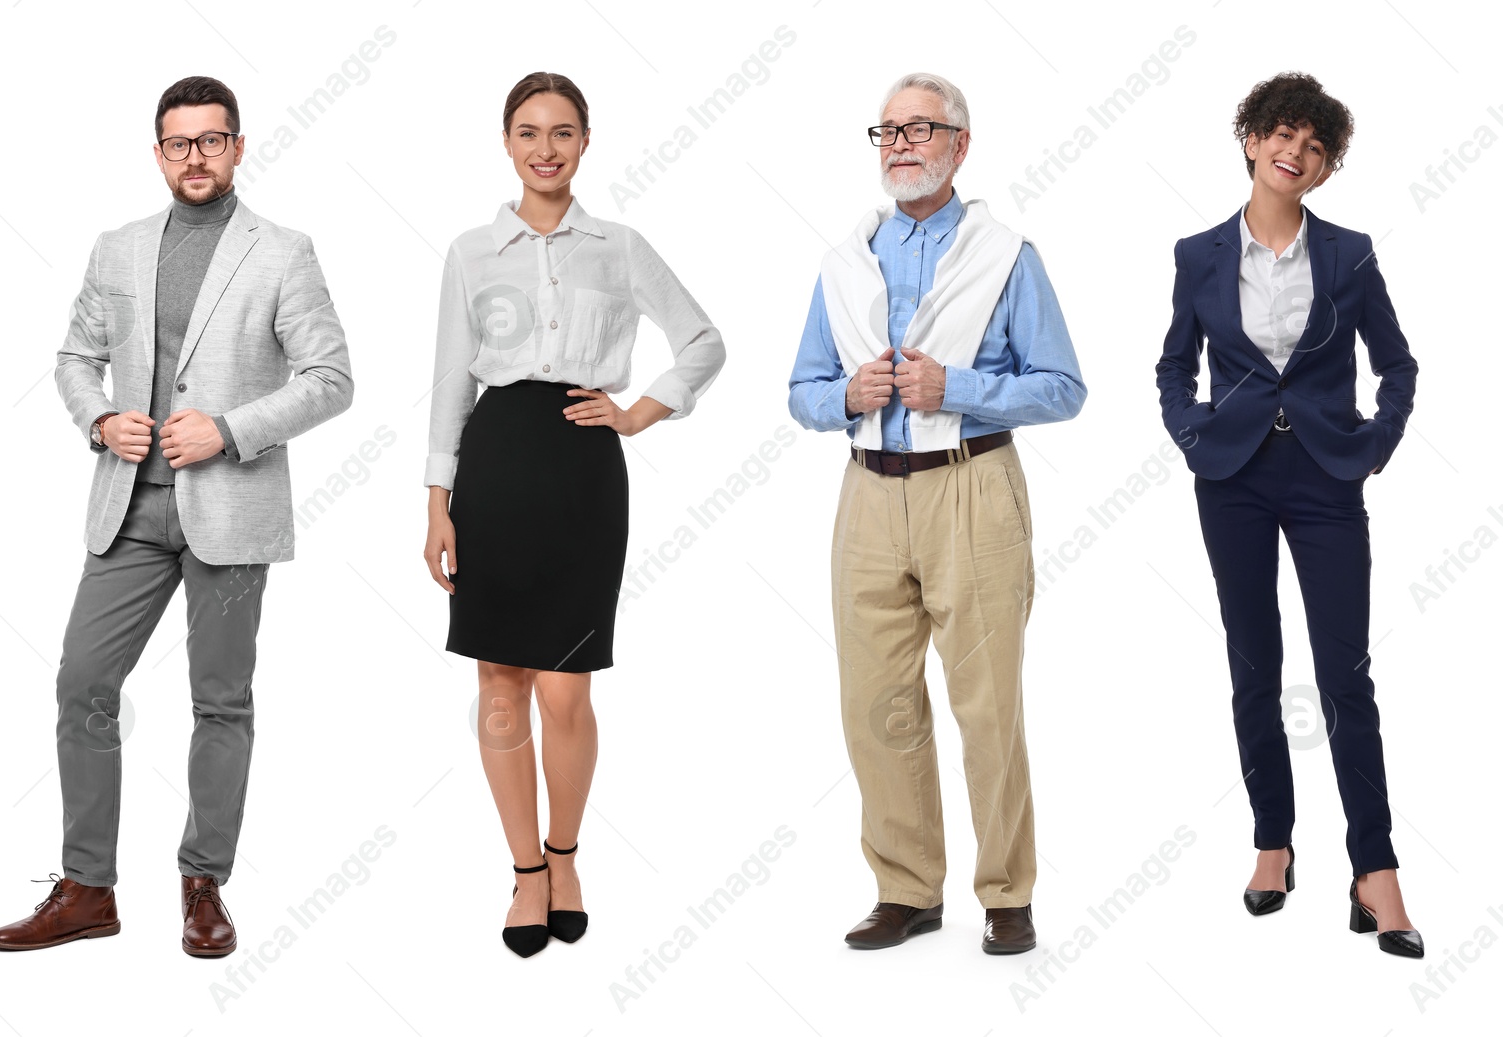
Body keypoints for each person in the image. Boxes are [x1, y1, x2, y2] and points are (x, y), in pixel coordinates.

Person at [0, 75, 354, 957]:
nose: (196, 156)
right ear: (158, 153)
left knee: (220, 701)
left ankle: (202, 884)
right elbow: (76, 355)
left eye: (212, 140)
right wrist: (99, 418)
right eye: (179, 143)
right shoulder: (116, 248)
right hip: (130, 507)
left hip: (230, 512)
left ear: (237, 146)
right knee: (83, 680)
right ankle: (86, 889)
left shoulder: (283, 251)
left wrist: (230, 430)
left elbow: (331, 378)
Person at [423, 71, 725, 958]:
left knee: (566, 684)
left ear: (586, 142)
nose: (545, 148)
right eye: (528, 132)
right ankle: (523, 871)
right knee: (498, 684)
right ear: (507, 143)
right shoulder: (472, 251)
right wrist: (437, 504)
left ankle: (566, 857)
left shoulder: (619, 246)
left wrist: (639, 410)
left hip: (584, 470)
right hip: (496, 465)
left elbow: (704, 341)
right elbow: (449, 380)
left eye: (562, 132)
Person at [788, 72, 1085, 955]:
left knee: (987, 703)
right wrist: (848, 394)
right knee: (873, 700)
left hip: (971, 487)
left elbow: (1063, 386)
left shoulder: (1007, 256)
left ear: (961, 145)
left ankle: (1007, 892)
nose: (902, 144)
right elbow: (801, 390)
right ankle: (908, 888)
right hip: (867, 490)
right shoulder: (845, 264)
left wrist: (953, 386)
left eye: (922, 129)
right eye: (887, 131)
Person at [1155, 72, 1421, 957]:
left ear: (1325, 167)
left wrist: (1373, 442)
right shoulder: (1199, 253)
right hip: (1231, 476)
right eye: (1283, 135)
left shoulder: (1349, 254)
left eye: (1315, 147)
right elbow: (1171, 367)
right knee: (1253, 664)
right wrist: (1192, 434)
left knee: (1346, 674)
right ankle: (1274, 842)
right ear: (1252, 141)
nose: (1295, 153)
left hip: (1323, 477)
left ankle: (1374, 868)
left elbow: (1399, 364)